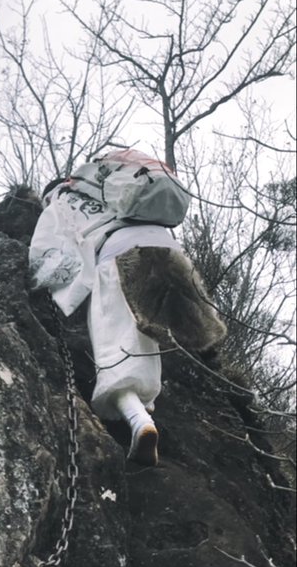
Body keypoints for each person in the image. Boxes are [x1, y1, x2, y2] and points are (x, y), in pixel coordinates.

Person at [29, 149, 227, 465]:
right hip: (167, 251)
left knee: (117, 353)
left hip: (121, 256)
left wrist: (49, 290)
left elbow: (49, 256)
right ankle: (224, 378)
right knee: (177, 334)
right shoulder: (104, 187)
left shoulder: (60, 203)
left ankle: (139, 421)